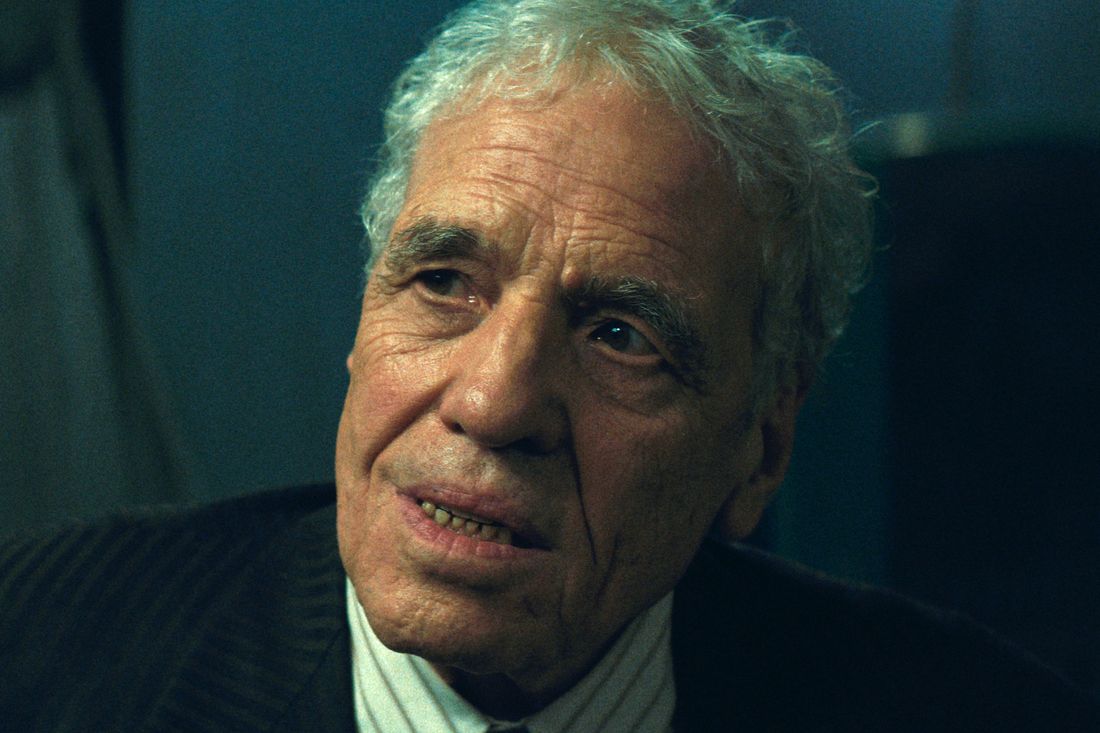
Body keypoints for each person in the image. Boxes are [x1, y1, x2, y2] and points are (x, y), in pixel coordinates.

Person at [1, 1, 1096, 731]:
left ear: (761, 445)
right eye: (443, 282)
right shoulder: (39, 652)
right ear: (363, 316)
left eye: (621, 335)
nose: (491, 401)